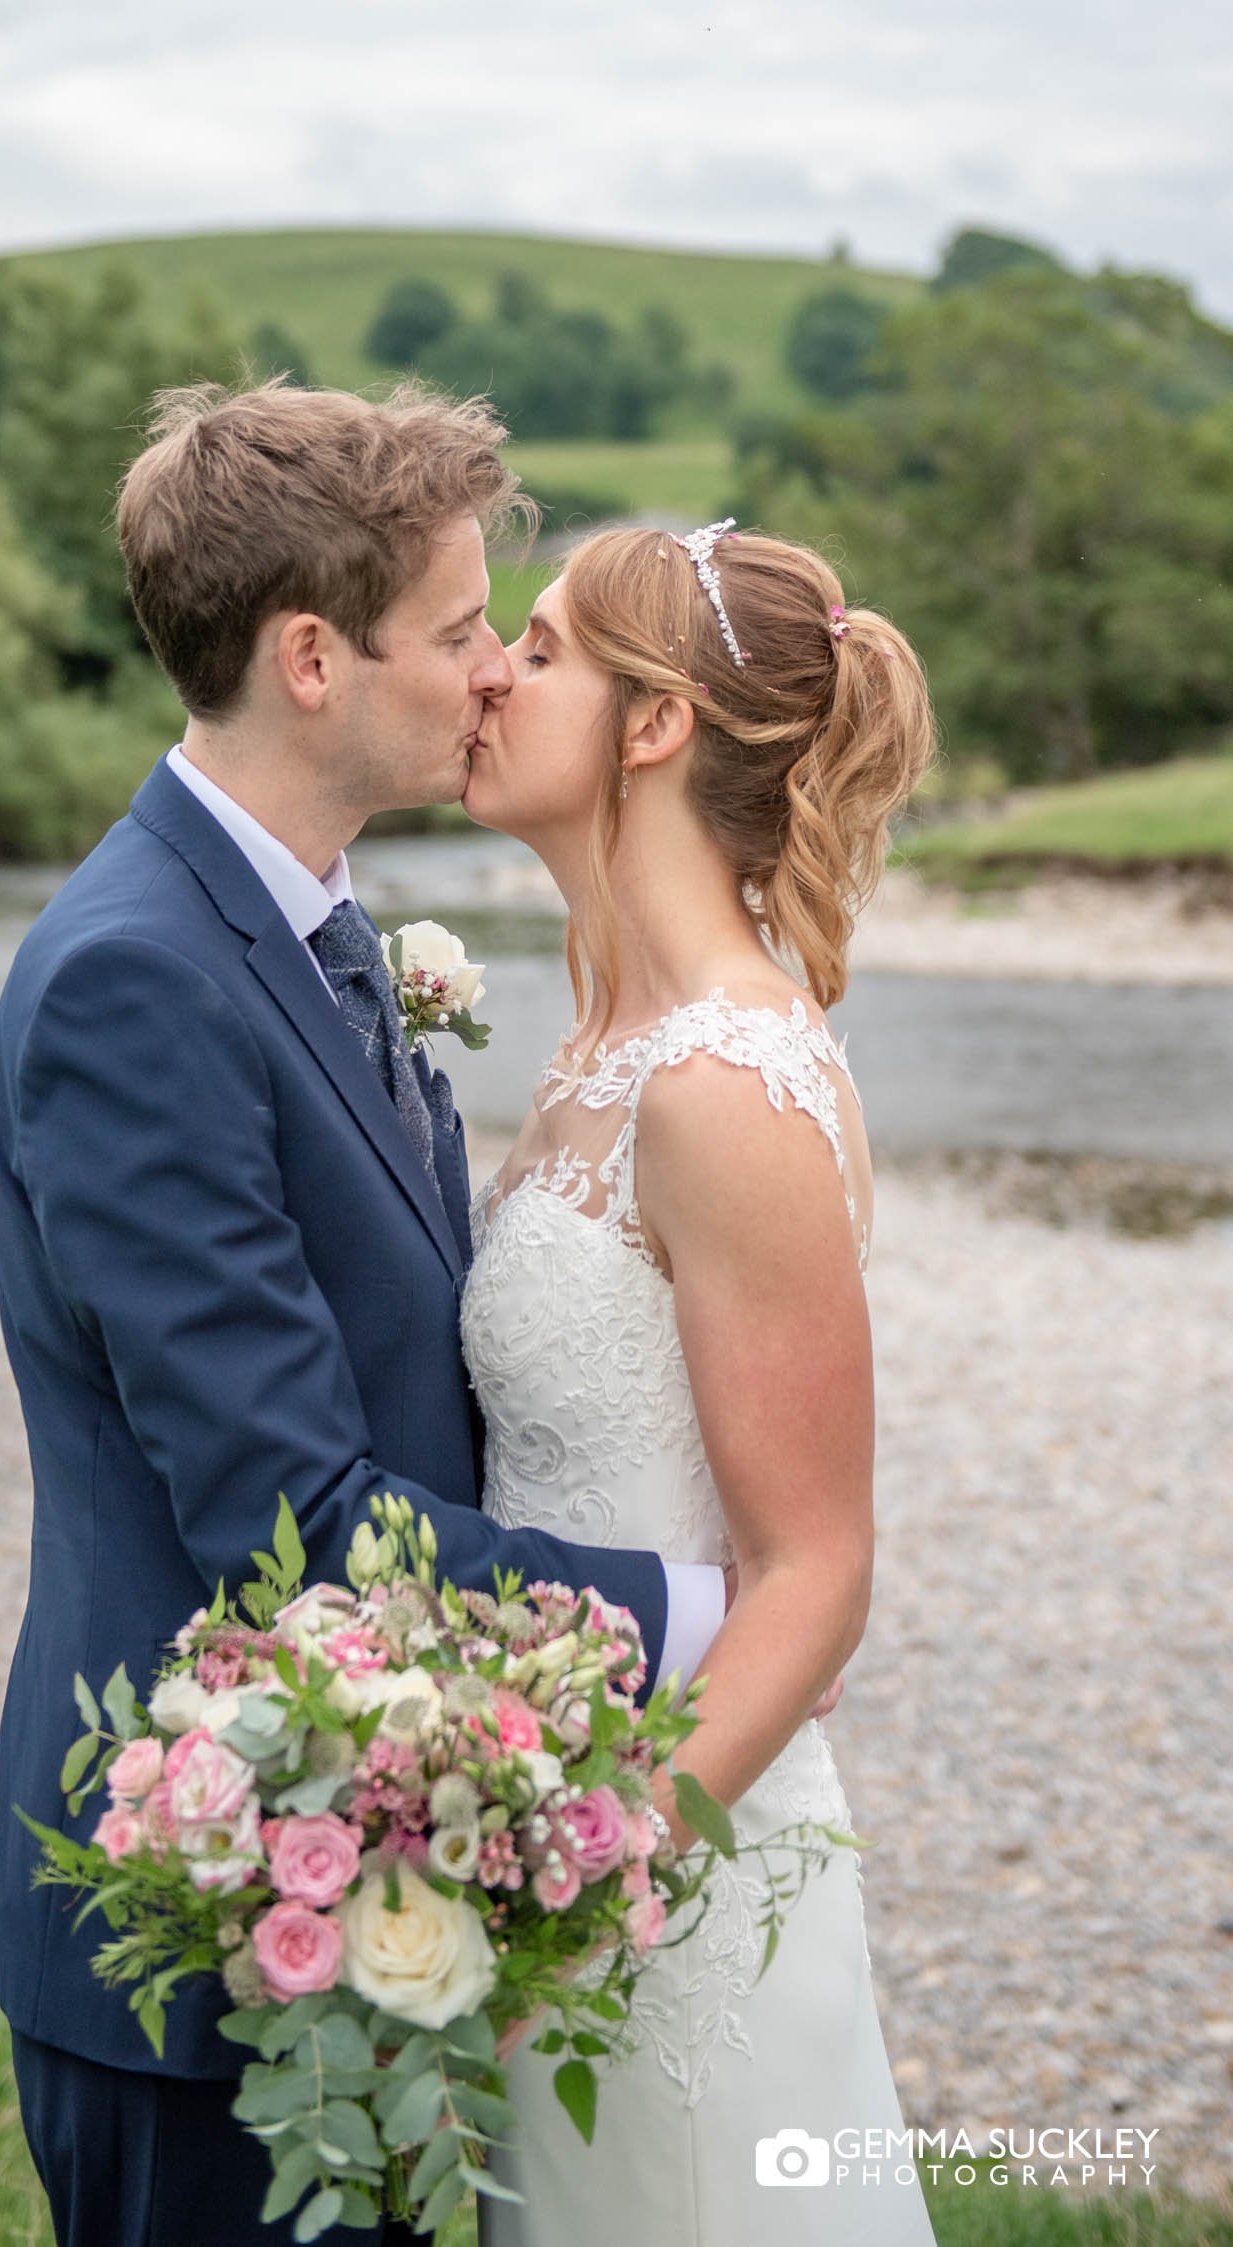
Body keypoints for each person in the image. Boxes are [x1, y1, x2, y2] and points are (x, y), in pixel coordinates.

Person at [0, 386, 797, 2247]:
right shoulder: (136, 985)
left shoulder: (314, 929)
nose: (495, 669)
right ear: (313, 658)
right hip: (196, 1940)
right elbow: (296, 1518)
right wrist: (702, 1608)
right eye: (458, 632)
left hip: (381, 1877)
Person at [461, 521, 939, 2243]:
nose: (491, 674)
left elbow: (816, 1575)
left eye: (542, 642)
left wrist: (576, 1906)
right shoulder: (602, 1048)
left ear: (654, 724)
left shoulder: (724, 1084)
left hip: (665, 1887)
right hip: (543, 1830)